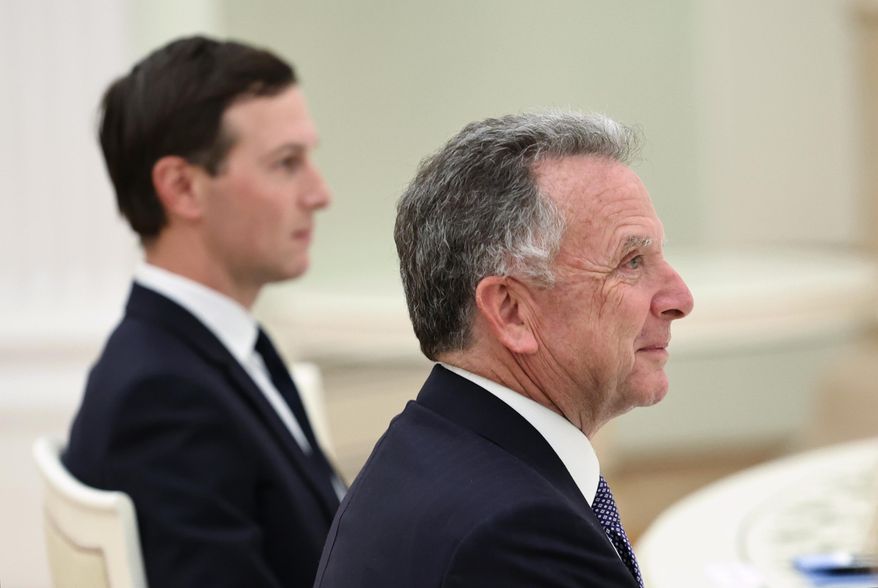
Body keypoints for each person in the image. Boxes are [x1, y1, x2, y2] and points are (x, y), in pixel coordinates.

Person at [314, 111, 694, 587]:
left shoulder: (429, 454)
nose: (680, 299)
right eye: (631, 262)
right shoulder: (517, 533)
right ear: (511, 311)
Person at [64, 36, 343, 588]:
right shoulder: (164, 400)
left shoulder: (206, 352)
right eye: (286, 163)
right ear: (182, 188)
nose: (320, 193)